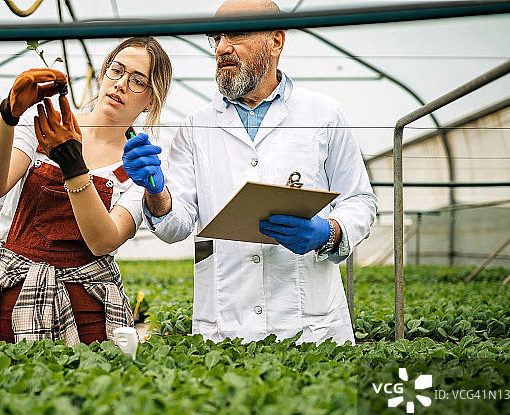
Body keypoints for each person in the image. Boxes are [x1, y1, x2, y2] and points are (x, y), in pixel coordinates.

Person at [122, 0, 377, 345]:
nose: (222, 48)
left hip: (310, 327)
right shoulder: (195, 127)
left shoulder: (324, 114)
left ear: (276, 41)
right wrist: (156, 191)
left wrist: (328, 232)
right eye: (216, 38)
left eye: (237, 34)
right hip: (224, 327)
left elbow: (360, 200)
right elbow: (175, 225)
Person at [0, 37, 172, 345]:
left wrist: (74, 168)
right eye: (117, 71)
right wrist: (8, 114)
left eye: (137, 81)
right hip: (15, 297)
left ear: (151, 101)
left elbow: (103, 241)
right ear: (103, 74)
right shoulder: (47, 126)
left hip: (88, 311)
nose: (120, 84)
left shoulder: (140, 161)